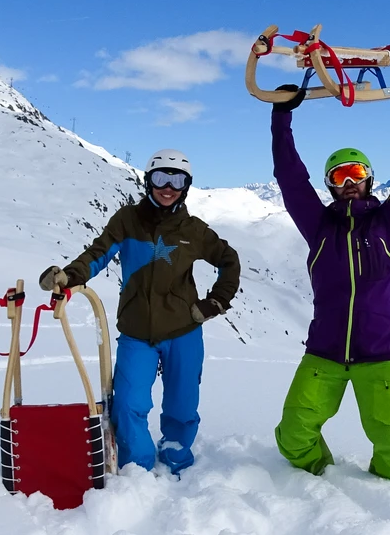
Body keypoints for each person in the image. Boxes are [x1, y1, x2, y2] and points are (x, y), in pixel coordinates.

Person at [268, 78, 390, 482]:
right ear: (329, 185)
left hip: (379, 355)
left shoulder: (389, 221)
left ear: (369, 179)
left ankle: (385, 501)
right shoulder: (318, 225)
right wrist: (282, 115)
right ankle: (323, 483)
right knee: (292, 438)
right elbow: (290, 179)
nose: (348, 184)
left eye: (355, 174)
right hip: (324, 353)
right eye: (339, 177)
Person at [39, 149, 241, 476]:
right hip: (136, 331)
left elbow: (229, 261)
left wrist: (214, 303)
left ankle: (177, 459)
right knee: (130, 403)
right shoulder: (127, 220)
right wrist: (71, 277)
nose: (168, 187)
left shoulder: (193, 230)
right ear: (149, 180)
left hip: (183, 330)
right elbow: (98, 253)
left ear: (187, 186)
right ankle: (137, 469)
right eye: (161, 177)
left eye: (178, 180)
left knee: (183, 405)